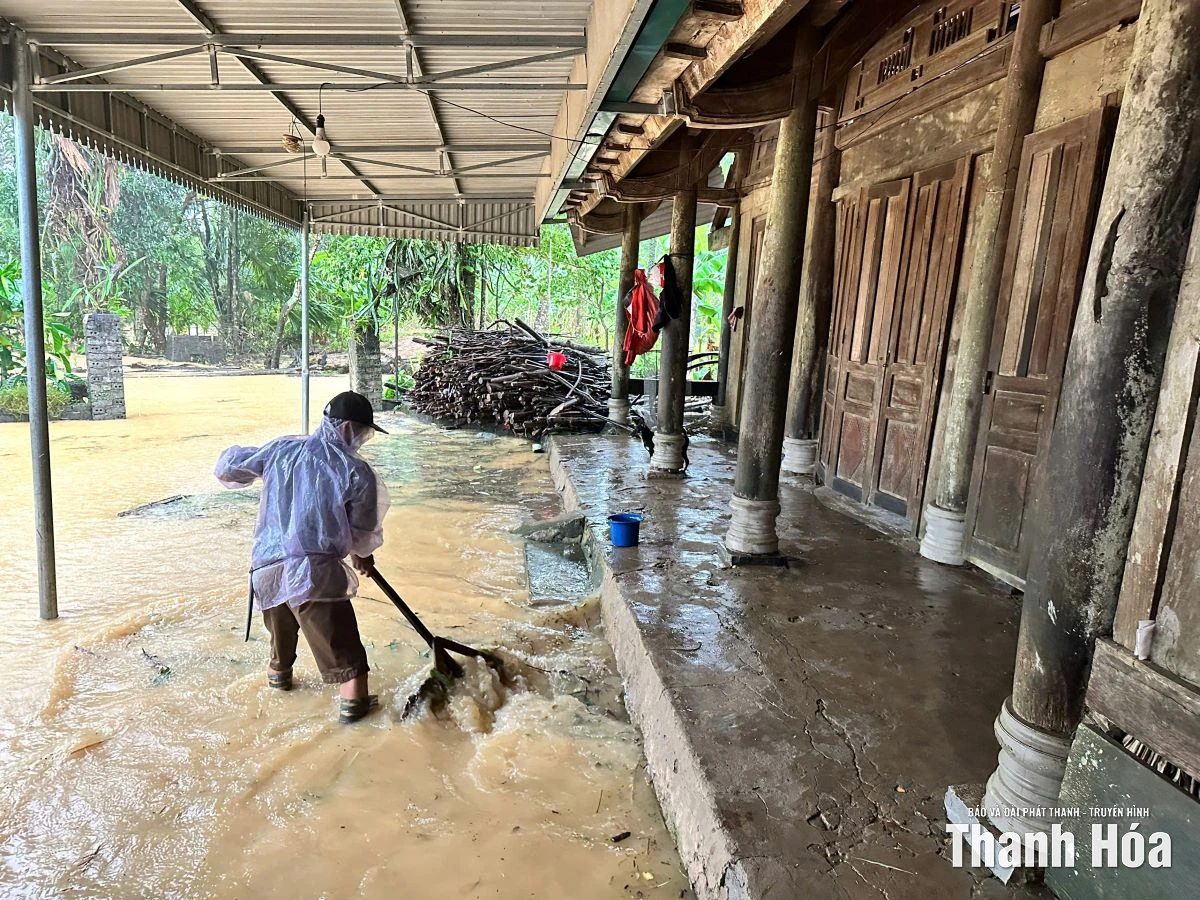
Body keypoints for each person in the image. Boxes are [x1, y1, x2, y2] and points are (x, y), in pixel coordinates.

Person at [214, 391, 391, 724]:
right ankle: (356, 726)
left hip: (267, 570)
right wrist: (364, 557)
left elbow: (227, 469)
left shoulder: (281, 449)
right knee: (349, 663)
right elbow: (362, 532)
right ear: (349, 428)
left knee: (280, 655)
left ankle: (279, 694)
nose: (364, 439)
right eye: (364, 432)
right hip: (314, 576)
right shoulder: (356, 471)